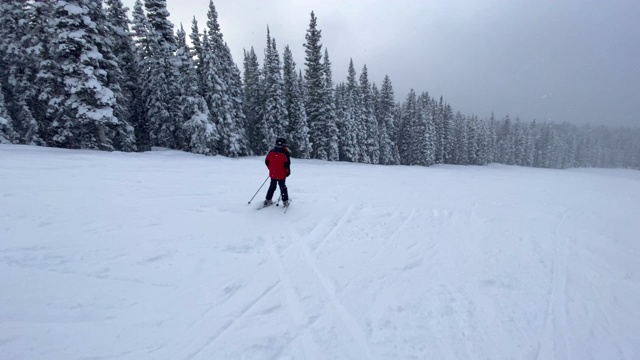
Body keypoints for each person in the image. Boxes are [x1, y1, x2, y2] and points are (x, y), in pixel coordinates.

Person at [264, 138, 291, 206]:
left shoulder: (271, 151)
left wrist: (271, 169)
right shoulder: (285, 152)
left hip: (273, 173)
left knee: (272, 186)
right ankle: (285, 202)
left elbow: (267, 162)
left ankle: (268, 200)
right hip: (281, 174)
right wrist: (287, 172)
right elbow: (287, 165)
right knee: (282, 187)